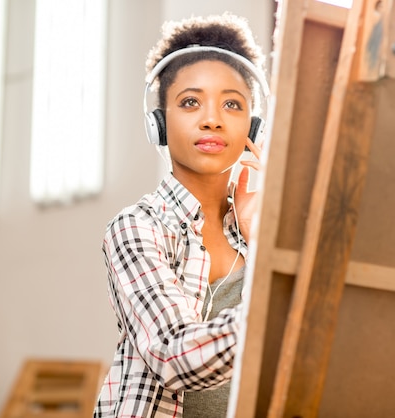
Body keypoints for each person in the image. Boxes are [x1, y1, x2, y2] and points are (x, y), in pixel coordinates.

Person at [94, 12, 269, 417]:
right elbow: (175, 355)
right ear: (159, 123)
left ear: (253, 128)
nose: (212, 118)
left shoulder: (263, 234)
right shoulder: (136, 227)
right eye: (190, 101)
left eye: (232, 104)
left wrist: (266, 241)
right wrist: (274, 310)